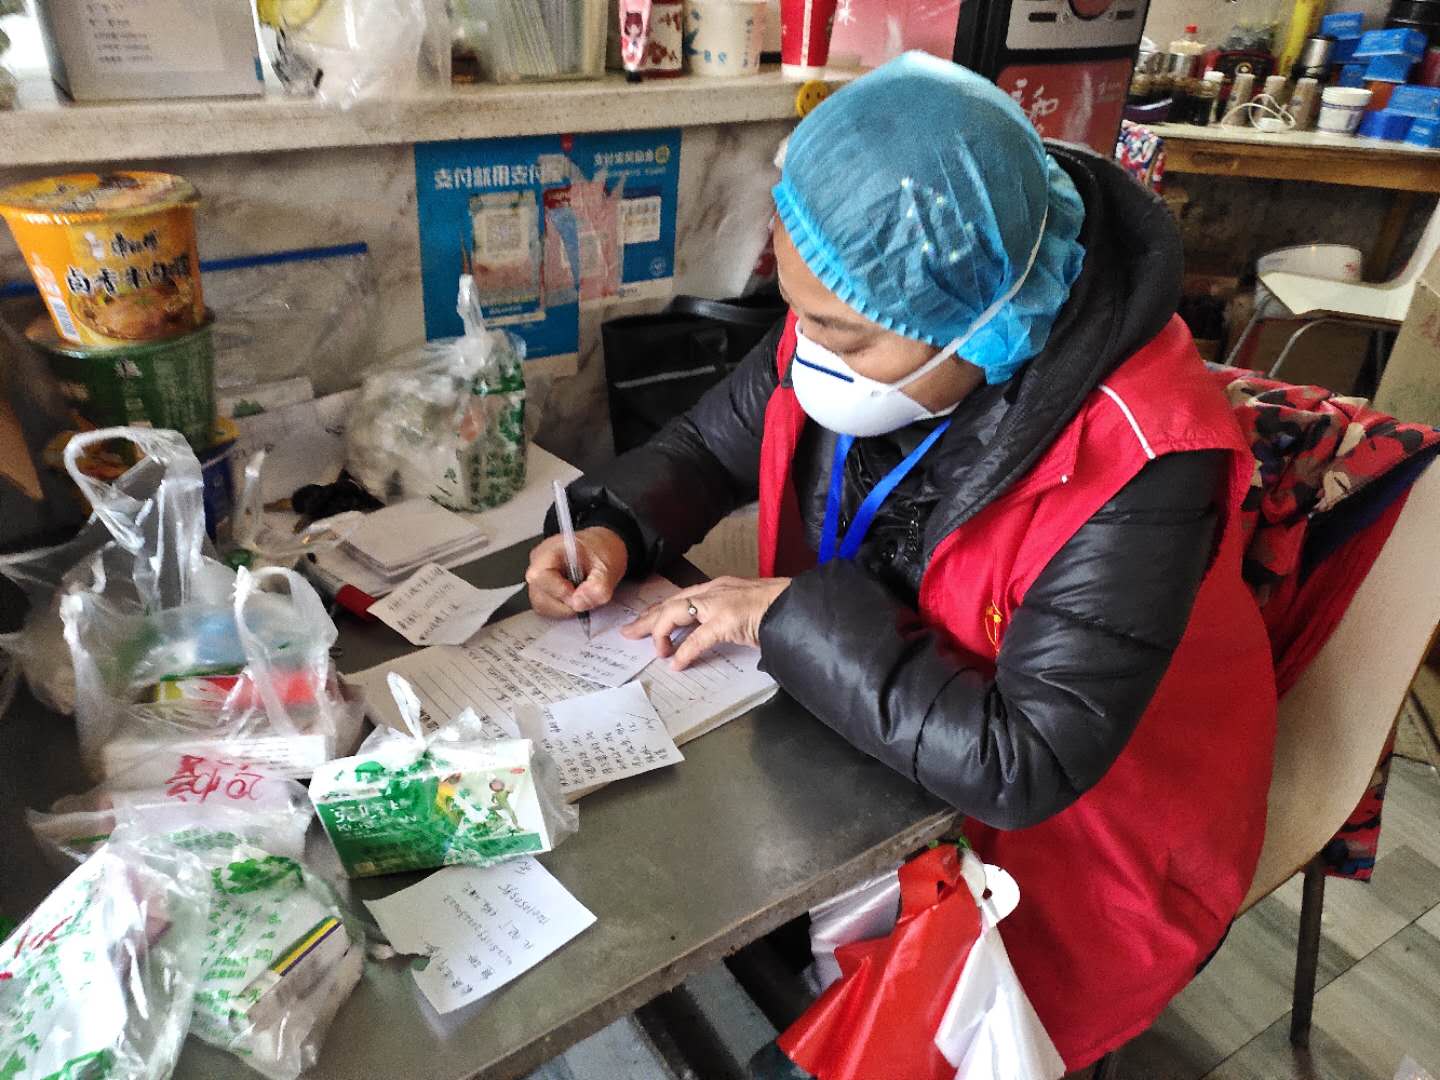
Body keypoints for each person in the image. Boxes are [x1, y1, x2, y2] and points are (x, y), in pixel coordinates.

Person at [525, 53, 1277, 1071]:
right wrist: (614, 528)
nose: (804, 353)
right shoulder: (859, 310)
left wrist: (785, 616)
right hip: (878, 741)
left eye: (842, 337)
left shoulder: (1143, 463)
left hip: (1078, 844)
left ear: (985, 321)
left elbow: (1027, 761)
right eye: (798, 311)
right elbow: (707, 446)